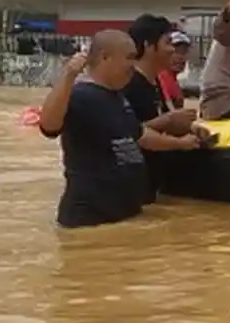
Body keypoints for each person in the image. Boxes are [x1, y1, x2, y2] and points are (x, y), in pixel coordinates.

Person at [39, 29, 201, 230]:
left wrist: (181, 143)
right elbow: (48, 125)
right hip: (90, 220)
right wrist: (69, 76)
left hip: (123, 216)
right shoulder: (80, 95)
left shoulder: (118, 98)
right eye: (130, 58)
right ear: (105, 57)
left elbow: (139, 135)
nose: (134, 66)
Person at [122, 14, 199, 203]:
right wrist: (169, 121)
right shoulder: (127, 85)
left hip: (155, 181)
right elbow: (124, 134)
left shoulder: (157, 81)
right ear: (149, 46)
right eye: (168, 43)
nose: (173, 50)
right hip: (135, 184)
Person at [157, 29, 190, 110]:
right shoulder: (162, 78)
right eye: (176, 51)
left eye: (183, 52)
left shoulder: (172, 80)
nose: (180, 57)